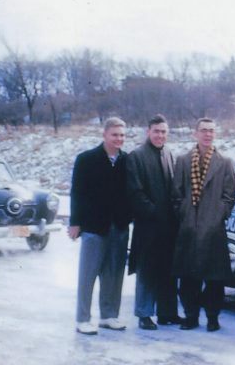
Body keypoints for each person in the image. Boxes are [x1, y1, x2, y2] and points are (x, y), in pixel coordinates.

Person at [171, 118, 235, 332]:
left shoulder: (225, 161)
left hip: (213, 228)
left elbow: (229, 196)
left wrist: (219, 215)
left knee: (214, 278)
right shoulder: (183, 160)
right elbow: (176, 193)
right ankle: (190, 316)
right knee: (188, 277)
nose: (208, 134)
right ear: (195, 134)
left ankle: (212, 317)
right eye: (204, 130)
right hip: (189, 226)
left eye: (211, 131)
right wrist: (184, 213)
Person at [69, 117, 132, 335]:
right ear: (104, 135)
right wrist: (75, 222)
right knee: (88, 274)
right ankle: (82, 319)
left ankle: (109, 315)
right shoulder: (86, 159)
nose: (119, 139)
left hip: (120, 226)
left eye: (122, 135)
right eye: (115, 134)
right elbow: (77, 193)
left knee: (114, 274)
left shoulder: (127, 160)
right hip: (94, 226)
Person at [127, 114, 181, 330]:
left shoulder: (168, 154)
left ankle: (167, 312)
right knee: (147, 269)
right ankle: (144, 314)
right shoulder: (136, 156)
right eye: (156, 131)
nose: (160, 135)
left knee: (168, 270)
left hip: (169, 225)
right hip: (148, 225)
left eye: (163, 132)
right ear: (148, 132)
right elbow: (135, 192)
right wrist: (153, 212)